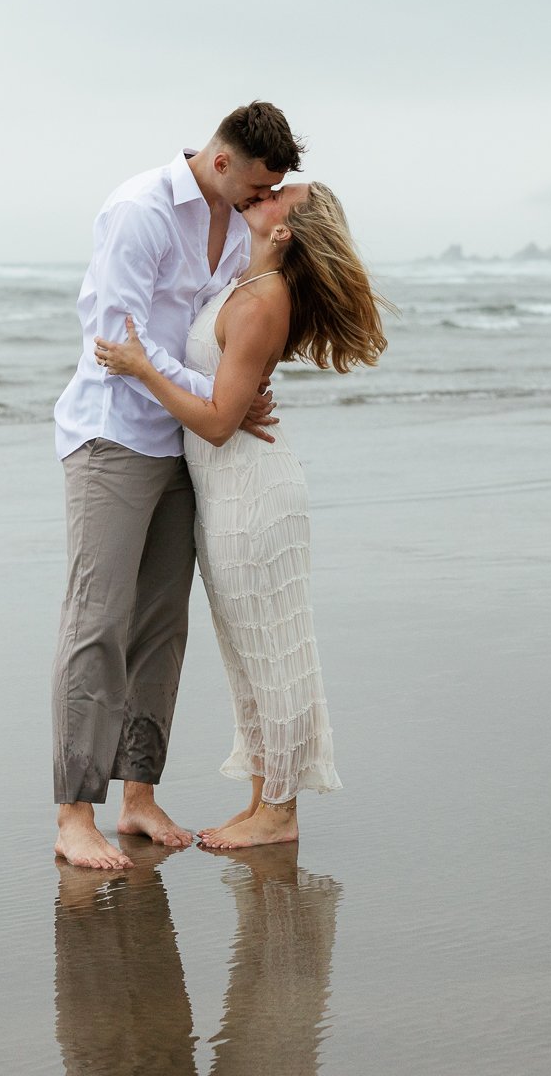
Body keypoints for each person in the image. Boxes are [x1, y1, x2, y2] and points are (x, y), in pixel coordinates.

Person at [96, 181, 390, 848]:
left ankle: (280, 812)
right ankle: (264, 797)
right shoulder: (243, 281)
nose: (271, 189)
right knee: (248, 653)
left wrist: (141, 366)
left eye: (286, 192)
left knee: (274, 653)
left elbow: (222, 423)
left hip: (253, 492)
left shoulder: (264, 300)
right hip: (226, 494)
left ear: (284, 230)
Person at [51, 102, 305, 872]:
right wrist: (226, 394)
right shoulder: (141, 211)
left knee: (162, 628)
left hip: (184, 445)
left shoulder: (237, 221)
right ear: (222, 162)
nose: (263, 203)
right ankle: (74, 812)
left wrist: (223, 396)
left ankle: (138, 797)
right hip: (115, 436)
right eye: (258, 187)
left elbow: (219, 328)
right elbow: (121, 340)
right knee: (98, 621)